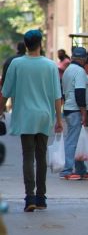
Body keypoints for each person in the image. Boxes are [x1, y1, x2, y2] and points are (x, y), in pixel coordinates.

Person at [0, 29, 63, 212]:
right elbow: (56, 96)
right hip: (44, 116)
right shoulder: (50, 65)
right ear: (40, 44)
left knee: (28, 156)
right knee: (41, 156)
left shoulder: (17, 64)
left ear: (26, 44)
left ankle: (30, 198)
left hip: (25, 117)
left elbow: (5, 92)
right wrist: (59, 119)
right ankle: (42, 197)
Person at [59, 47, 88, 181]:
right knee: (72, 141)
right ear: (84, 59)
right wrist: (84, 112)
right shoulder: (80, 71)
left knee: (76, 139)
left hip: (69, 107)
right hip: (75, 109)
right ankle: (67, 170)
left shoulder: (68, 70)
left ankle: (81, 170)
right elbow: (80, 93)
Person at [1, 42, 26, 112]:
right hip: (27, 91)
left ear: (17, 49)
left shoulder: (9, 60)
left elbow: (4, 77)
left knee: (15, 109)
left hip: (13, 90)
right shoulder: (30, 61)